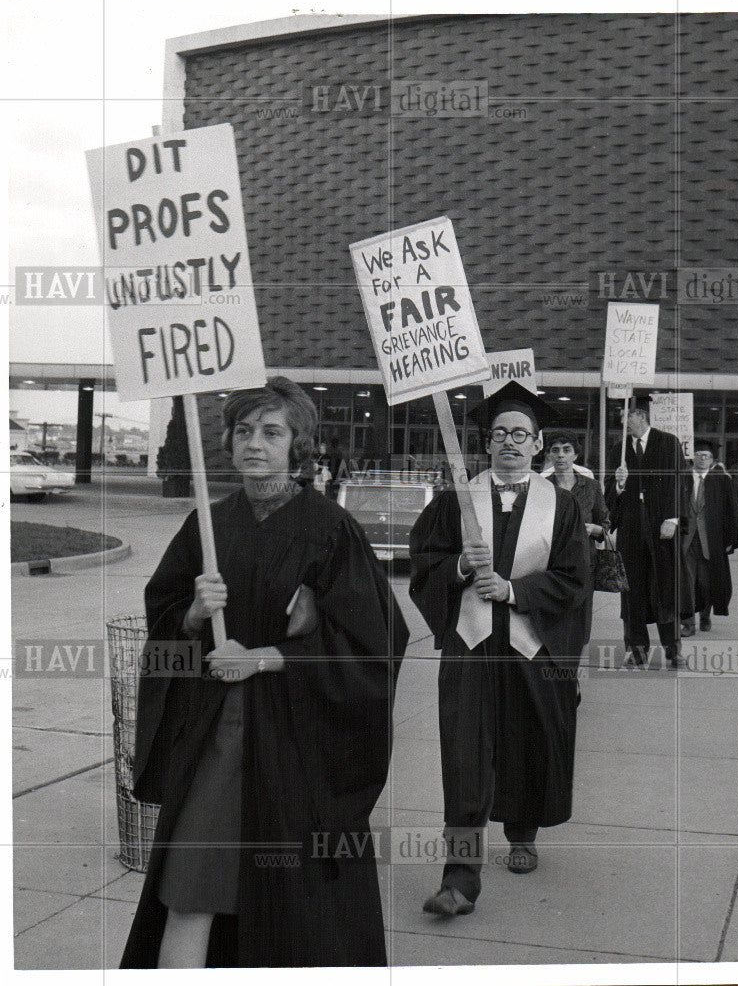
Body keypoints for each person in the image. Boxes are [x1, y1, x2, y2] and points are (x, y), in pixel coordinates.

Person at [121, 378, 408, 968]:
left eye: (272, 432)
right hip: (215, 741)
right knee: (188, 891)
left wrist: (263, 656)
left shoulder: (330, 528)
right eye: (245, 431)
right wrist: (195, 616)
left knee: (295, 912)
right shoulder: (210, 525)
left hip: (298, 745)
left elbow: (372, 643)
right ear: (227, 441)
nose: (256, 444)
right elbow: (165, 617)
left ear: (297, 444)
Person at [409, 381, 590, 917]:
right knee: (464, 754)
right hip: (470, 646)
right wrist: (461, 567)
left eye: (521, 434)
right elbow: (425, 563)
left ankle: (522, 832)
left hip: (530, 649)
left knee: (525, 743)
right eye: (500, 433)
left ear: (537, 445)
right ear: (487, 443)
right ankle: (459, 879)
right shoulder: (454, 501)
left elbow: (574, 578)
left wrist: (513, 590)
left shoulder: (561, 506)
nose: (510, 442)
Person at [605, 394, 687, 669]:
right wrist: (618, 485)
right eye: (621, 418)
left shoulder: (667, 442)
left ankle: (673, 650)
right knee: (632, 592)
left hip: (660, 530)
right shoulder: (618, 449)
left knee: (664, 590)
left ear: (641, 416)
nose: (623, 422)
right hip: (631, 532)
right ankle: (636, 649)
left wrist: (673, 518)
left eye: (627, 417)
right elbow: (609, 492)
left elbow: (679, 480)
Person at [542, 431, 612, 646]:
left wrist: (594, 529)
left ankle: (572, 663)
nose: (561, 455)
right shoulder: (541, 487)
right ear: (548, 456)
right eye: (555, 450)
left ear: (575, 455)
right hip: (549, 561)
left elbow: (605, 524)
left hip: (584, 561)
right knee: (552, 613)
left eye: (566, 450)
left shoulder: (590, 487)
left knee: (580, 616)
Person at [680, 439, 738, 636]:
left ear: (712, 459)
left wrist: (730, 539)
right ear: (693, 457)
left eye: (706, 456)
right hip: (686, 539)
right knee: (686, 581)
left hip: (711, 539)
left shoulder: (722, 480)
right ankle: (688, 623)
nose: (702, 458)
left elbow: (731, 510)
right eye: (699, 455)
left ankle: (705, 615)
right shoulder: (682, 477)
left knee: (706, 582)